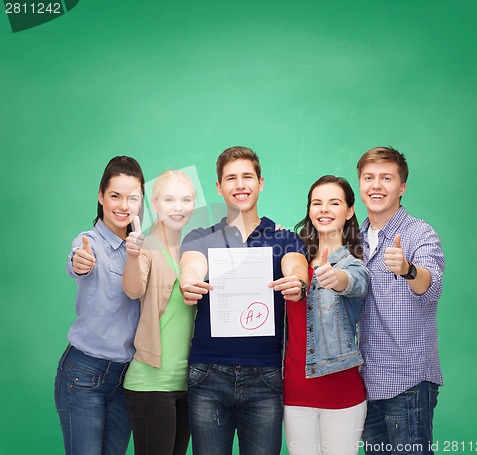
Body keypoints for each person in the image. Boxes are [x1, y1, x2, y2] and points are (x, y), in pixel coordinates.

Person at [179, 146, 309, 455]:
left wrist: (298, 281)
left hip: (265, 375)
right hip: (207, 373)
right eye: (231, 178)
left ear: (260, 183)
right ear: (219, 187)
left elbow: (296, 265)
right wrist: (188, 280)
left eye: (247, 177)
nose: (240, 185)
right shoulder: (200, 235)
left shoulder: (284, 237)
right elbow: (192, 264)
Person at [356, 147, 445, 455]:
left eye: (386, 178)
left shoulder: (419, 233)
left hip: (407, 381)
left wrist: (407, 269)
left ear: (402, 187)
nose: (376, 186)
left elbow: (430, 284)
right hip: (365, 381)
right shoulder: (354, 239)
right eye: (369, 178)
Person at [54, 156, 145, 455]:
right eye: (115, 196)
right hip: (84, 373)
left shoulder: (143, 248)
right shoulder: (88, 242)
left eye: (132, 198)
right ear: (101, 196)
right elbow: (78, 263)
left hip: (125, 378)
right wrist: (79, 262)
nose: (123, 206)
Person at [283, 175, 370, 455]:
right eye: (317, 203)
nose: (324, 209)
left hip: (341, 394)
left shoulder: (353, 263)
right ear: (309, 209)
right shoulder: (293, 259)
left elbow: (356, 281)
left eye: (334, 203)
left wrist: (337, 277)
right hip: (294, 393)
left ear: (349, 210)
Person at [122, 170, 197, 455]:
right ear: (154, 203)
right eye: (169, 199)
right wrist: (132, 254)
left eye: (185, 199)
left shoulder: (192, 250)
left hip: (186, 382)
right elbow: (133, 288)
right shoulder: (146, 247)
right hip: (151, 383)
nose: (178, 207)